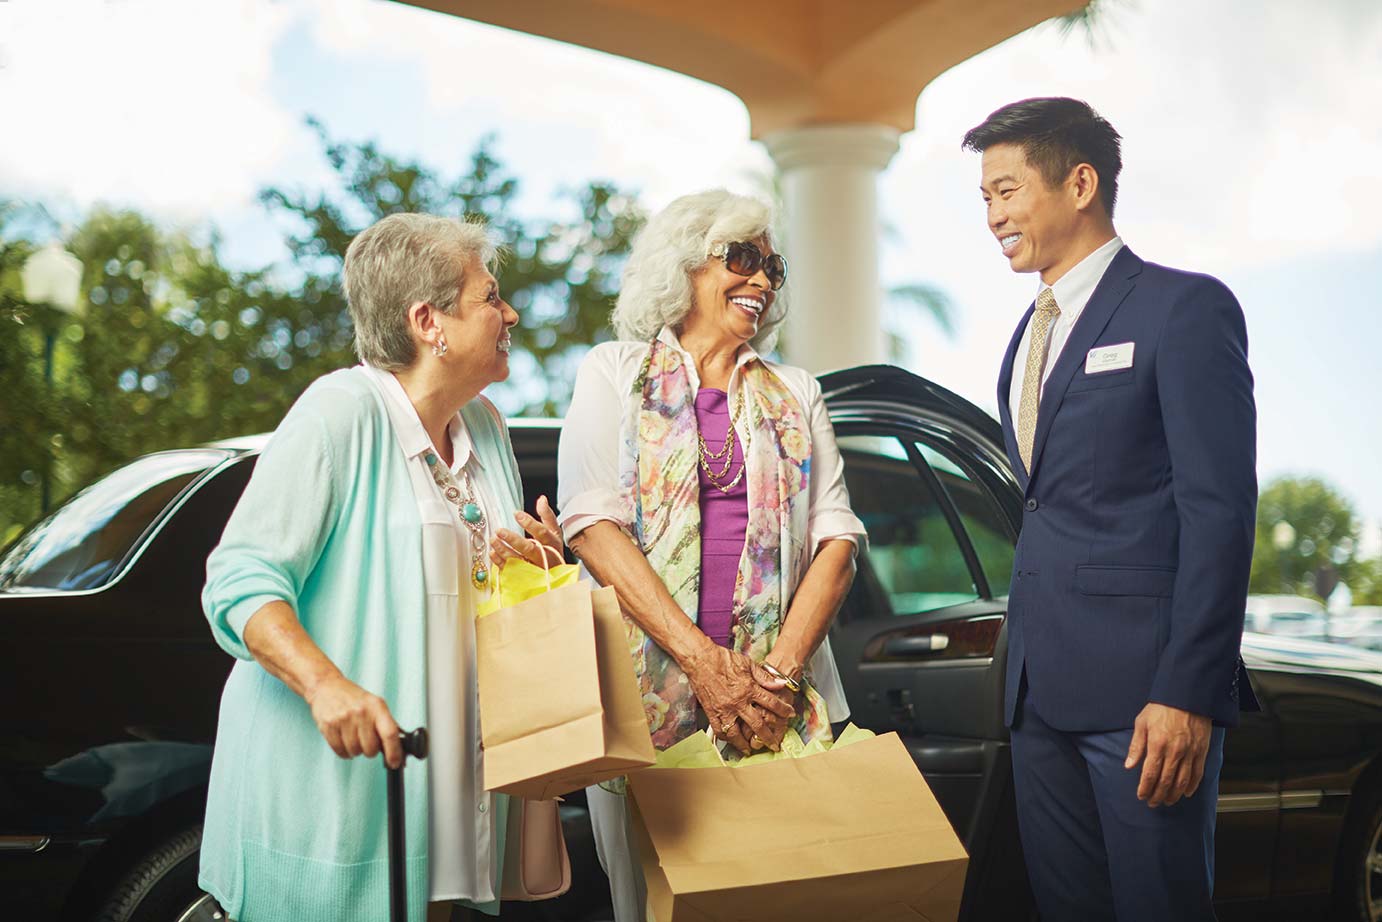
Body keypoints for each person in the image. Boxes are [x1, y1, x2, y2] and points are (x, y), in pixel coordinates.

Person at [199, 213, 561, 922]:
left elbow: (485, 582)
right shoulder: (340, 413)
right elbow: (240, 578)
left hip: (450, 779)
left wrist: (539, 564)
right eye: (491, 296)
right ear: (430, 321)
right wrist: (326, 685)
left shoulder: (485, 425)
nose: (509, 312)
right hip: (342, 787)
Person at [962, 97, 1258, 921]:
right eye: (984, 197)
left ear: (1080, 182)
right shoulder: (1027, 334)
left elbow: (1220, 511)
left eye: (1007, 190)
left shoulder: (1184, 309)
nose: (993, 215)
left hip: (1145, 698)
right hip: (1038, 697)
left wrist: (1189, 692)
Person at [556, 189, 867, 921]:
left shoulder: (796, 391)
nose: (762, 280)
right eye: (742, 259)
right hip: (642, 704)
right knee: (653, 903)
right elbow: (592, 525)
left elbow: (837, 540)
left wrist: (776, 682)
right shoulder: (615, 372)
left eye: (772, 265)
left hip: (776, 704)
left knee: (780, 900)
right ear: (683, 264)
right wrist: (703, 663)